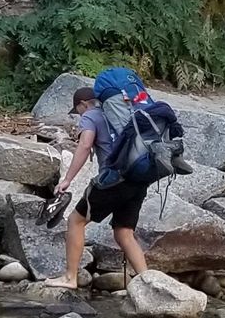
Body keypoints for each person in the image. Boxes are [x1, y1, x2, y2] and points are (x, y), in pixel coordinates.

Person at [49, 66, 171, 295]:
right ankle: (147, 284)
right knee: (123, 231)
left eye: (78, 111)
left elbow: (85, 145)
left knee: (76, 220)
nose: (79, 116)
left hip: (114, 179)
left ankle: (69, 277)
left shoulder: (91, 116)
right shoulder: (126, 110)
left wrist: (67, 179)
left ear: (84, 104)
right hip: (138, 177)